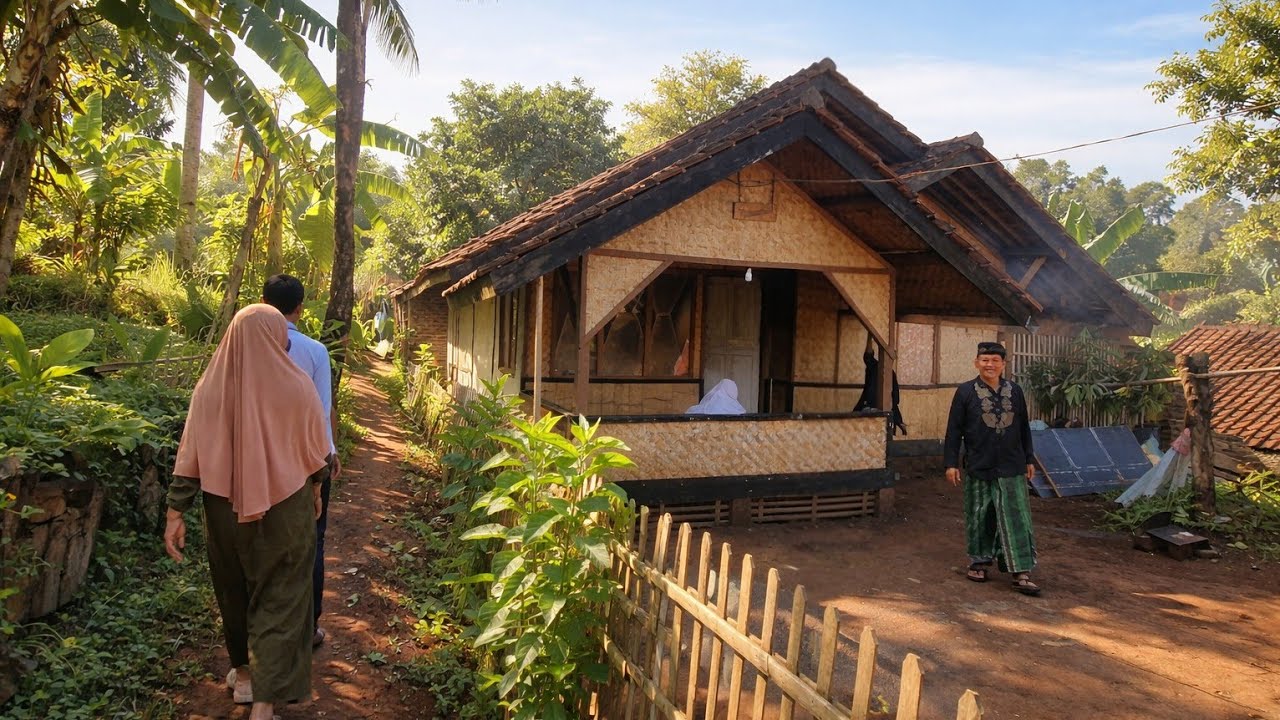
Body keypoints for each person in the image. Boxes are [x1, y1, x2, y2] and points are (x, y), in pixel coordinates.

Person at [164, 304, 332, 719]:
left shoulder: (209, 387)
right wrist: (314, 490)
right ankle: (263, 704)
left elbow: (191, 454)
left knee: (234, 588)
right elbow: (315, 454)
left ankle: (243, 675)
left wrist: (175, 511)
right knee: (282, 595)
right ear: (276, 336)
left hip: (223, 508)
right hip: (286, 507)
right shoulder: (297, 386)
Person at [261, 274, 340, 648]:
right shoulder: (314, 351)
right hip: (305, 462)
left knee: (260, 541)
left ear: (262, 303)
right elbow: (321, 411)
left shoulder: (242, 350)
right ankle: (306, 628)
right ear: (300, 308)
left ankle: (262, 631)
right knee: (312, 542)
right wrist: (330, 455)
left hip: (257, 461)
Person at [943, 341, 1041, 596]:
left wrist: (1029, 458)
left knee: (1016, 516)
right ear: (976, 362)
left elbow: (1023, 428)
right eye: (985, 360)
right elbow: (954, 430)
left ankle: (1021, 570)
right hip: (979, 463)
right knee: (980, 514)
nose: (990, 365)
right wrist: (951, 463)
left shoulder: (1015, 391)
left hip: (1012, 464)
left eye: (995, 360)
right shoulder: (965, 392)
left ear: (1003, 364)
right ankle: (979, 562)